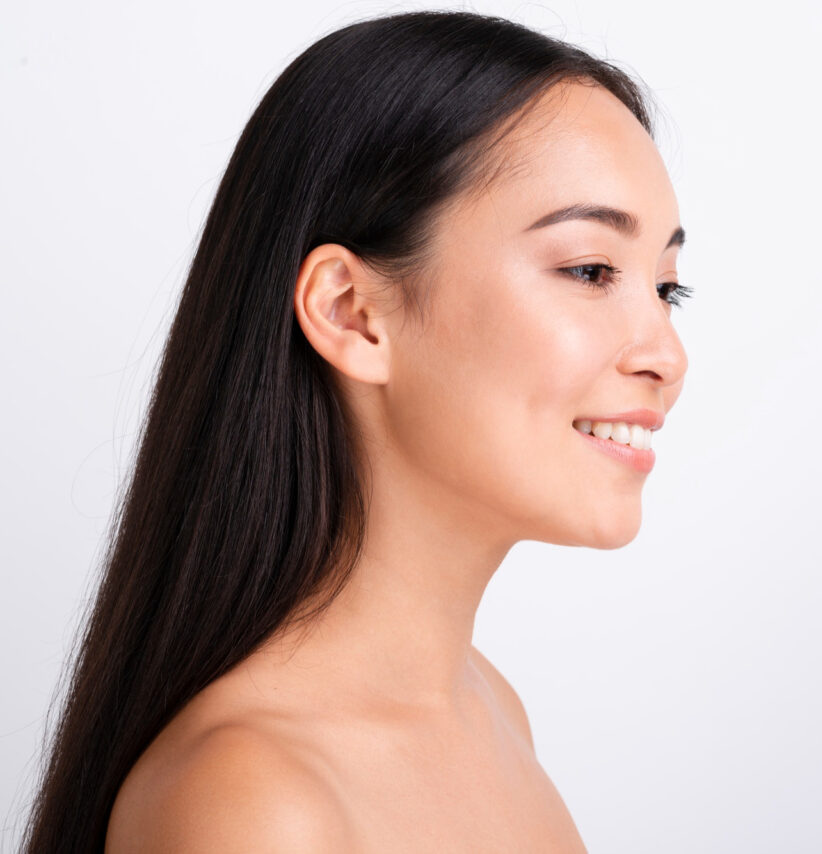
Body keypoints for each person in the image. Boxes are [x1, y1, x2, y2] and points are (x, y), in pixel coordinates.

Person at [21, 10, 690, 852]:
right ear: (351, 312)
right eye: (590, 270)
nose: (667, 353)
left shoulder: (490, 710)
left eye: (668, 287)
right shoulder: (253, 805)